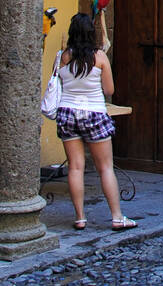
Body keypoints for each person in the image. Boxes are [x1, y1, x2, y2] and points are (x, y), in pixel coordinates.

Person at [56, 12, 137, 232]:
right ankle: (117, 217)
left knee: (75, 167)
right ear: (91, 33)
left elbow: (59, 84)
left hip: (67, 112)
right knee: (105, 168)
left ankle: (80, 218)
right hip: (93, 112)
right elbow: (109, 90)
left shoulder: (63, 56)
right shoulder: (99, 57)